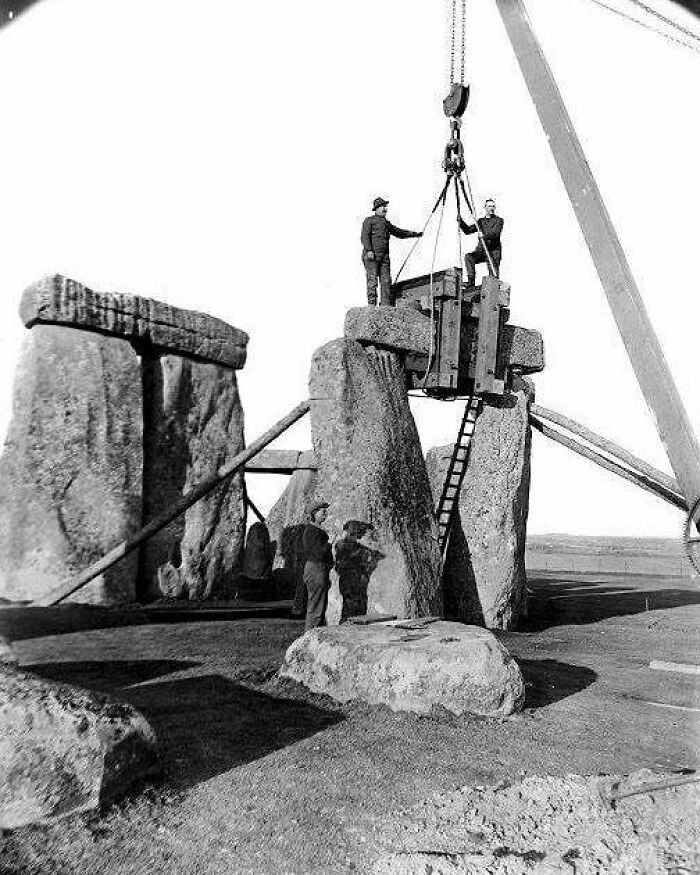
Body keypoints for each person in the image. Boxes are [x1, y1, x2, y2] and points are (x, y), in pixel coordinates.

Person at [361, 197, 422, 307]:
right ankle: (372, 305)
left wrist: (414, 234)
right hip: (372, 256)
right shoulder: (369, 221)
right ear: (376, 209)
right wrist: (369, 250)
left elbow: (398, 232)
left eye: (385, 206)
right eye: (382, 206)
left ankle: (385, 305)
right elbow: (364, 236)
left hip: (384, 257)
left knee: (386, 281)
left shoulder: (386, 223)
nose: (385, 208)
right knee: (372, 281)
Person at [302, 502, 333, 631]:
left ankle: (313, 637)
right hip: (316, 569)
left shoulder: (315, 530)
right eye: (322, 511)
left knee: (318, 606)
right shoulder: (312, 531)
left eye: (326, 511)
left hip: (318, 569)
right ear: (314, 513)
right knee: (315, 608)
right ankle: (308, 639)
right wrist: (329, 543)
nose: (325, 514)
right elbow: (318, 553)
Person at [459, 197, 504, 287]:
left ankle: (493, 288)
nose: (491, 208)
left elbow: (495, 233)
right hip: (482, 251)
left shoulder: (499, 220)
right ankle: (471, 282)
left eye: (493, 206)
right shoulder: (481, 221)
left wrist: (484, 236)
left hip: (493, 251)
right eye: (489, 206)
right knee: (469, 257)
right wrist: (461, 222)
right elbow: (467, 231)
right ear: (485, 208)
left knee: (493, 276)